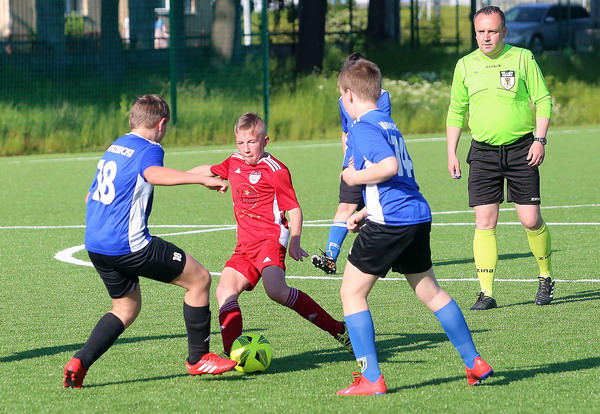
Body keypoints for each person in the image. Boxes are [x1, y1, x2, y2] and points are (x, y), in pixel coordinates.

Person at [336, 59, 493, 396]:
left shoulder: (362, 126)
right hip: (415, 216)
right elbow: (400, 179)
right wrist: (365, 211)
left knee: (351, 293)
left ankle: (371, 378)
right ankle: (474, 361)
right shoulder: (388, 123)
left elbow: (389, 167)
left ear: (348, 95)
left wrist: (352, 177)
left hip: (392, 222)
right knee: (430, 292)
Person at [63, 94, 236, 388]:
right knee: (199, 279)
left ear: (133, 120)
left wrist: (206, 172)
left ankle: (80, 361)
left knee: (125, 309)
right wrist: (200, 180)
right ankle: (199, 359)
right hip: (129, 245)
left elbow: (90, 195)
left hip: (96, 245)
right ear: (162, 123)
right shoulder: (150, 148)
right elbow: (153, 174)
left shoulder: (117, 146)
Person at [188, 112, 353, 357]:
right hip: (244, 245)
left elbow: (293, 209)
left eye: (251, 142)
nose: (245, 149)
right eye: (240, 142)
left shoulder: (276, 170)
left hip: (270, 240)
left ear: (265, 141)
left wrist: (295, 240)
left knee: (276, 290)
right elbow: (210, 170)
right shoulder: (233, 161)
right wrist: (184, 177)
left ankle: (339, 330)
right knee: (225, 290)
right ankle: (235, 353)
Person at [446, 6, 554, 310]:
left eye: (492, 31)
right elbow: (456, 109)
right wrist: (451, 151)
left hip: (522, 149)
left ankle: (546, 275)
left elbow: (543, 99)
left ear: (503, 32)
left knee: (530, 220)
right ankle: (486, 292)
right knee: (484, 221)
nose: (486, 37)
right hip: (483, 153)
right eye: (480, 31)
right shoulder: (465, 65)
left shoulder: (522, 57)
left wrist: (539, 140)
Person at [312, 52, 391, 275]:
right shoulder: (342, 100)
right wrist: (347, 162)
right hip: (353, 164)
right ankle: (330, 257)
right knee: (345, 207)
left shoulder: (381, 97)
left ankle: (384, 255)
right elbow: (346, 132)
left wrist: (364, 159)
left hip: (374, 164)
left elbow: (378, 129)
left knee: (375, 211)